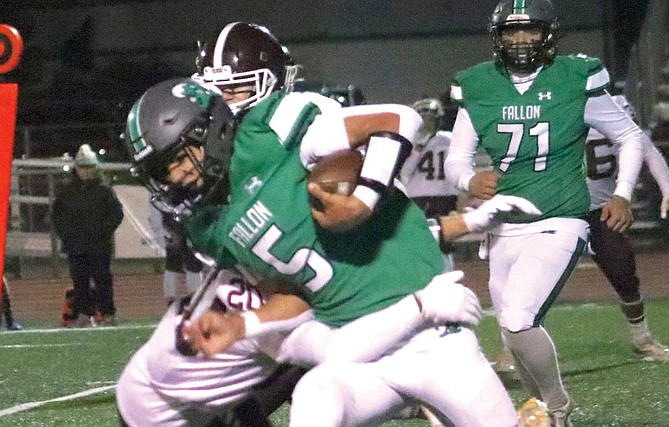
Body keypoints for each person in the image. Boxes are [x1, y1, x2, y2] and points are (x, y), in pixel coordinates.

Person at [118, 21, 538, 424]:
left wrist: (363, 199)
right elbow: (292, 293)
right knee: (315, 393)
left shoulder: (276, 127)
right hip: (361, 345)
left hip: (433, 336)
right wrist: (240, 324)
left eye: (177, 161)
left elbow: (397, 120)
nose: (175, 178)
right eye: (162, 170)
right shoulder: (208, 226)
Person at [444, 1, 646, 426]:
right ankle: (545, 417)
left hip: (560, 217)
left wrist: (623, 193)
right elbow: (456, 158)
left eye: (530, 31)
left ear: (548, 34)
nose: (520, 40)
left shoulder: (575, 75)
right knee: (512, 338)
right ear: (496, 37)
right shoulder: (477, 83)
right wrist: (467, 181)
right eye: (511, 32)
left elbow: (628, 135)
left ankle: (557, 406)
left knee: (518, 320)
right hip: (502, 227)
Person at [585, 95, 669, 361]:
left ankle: (641, 337)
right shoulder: (556, 107)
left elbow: (647, 149)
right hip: (559, 209)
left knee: (624, 272)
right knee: (537, 279)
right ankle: (512, 346)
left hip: (603, 209)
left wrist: (667, 188)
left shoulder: (614, 106)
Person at [52, 143, 124, 327]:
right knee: (80, 281)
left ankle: (107, 313)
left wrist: (102, 231)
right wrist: (67, 235)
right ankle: (85, 314)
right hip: (75, 245)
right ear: (76, 168)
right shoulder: (67, 192)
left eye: (89, 167)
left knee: (102, 280)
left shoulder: (104, 190)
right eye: (83, 167)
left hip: (98, 244)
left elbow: (116, 214)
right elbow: (56, 217)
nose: (86, 171)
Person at [400, 98, 461, 271]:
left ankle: (446, 275)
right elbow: (404, 174)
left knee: (445, 241)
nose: (428, 123)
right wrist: (419, 146)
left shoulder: (449, 139)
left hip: (445, 197)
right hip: (418, 198)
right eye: (425, 118)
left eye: (431, 118)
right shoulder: (411, 142)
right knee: (420, 240)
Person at [161, 212, 203, 306]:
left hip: (174, 214)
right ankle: (194, 298)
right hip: (182, 214)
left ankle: (173, 299)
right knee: (186, 257)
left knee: (180, 258)